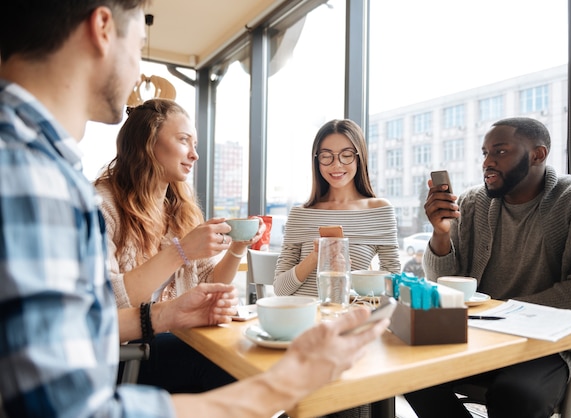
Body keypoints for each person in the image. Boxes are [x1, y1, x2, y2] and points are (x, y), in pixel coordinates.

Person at [0, 2, 389, 417]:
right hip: (134, 363)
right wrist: (281, 386)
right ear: (103, 27)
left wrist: (170, 310)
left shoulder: (51, 171)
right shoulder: (36, 177)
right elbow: (68, 406)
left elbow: (79, 325)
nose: (138, 72)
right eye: (141, 41)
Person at [404, 117, 571, 418]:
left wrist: (500, 314)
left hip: (551, 346)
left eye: (500, 151)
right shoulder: (471, 203)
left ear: (538, 154)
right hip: (478, 337)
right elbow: (445, 283)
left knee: (517, 395)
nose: (488, 162)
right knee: (403, 370)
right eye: (484, 153)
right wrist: (441, 234)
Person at [94, 99, 264, 309]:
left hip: (179, 333)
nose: (195, 155)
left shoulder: (182, 209)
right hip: (133, 341)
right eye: (184, 140)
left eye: (195, 145)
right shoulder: (101, 206)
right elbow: (106, 299)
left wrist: (238, 246)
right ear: (147, 143)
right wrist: (182, 250)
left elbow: (209, 281)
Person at [274, 119, 401, 298]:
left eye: (346, 154)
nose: (336, 165)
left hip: (347, 318)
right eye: (326, 156)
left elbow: (392, 286)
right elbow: (280, 290)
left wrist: (344, 279)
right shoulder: (300, 214)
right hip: (300, 318)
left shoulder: (380, 210)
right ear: (317, 160)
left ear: (359, 157)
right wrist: (316, 257)